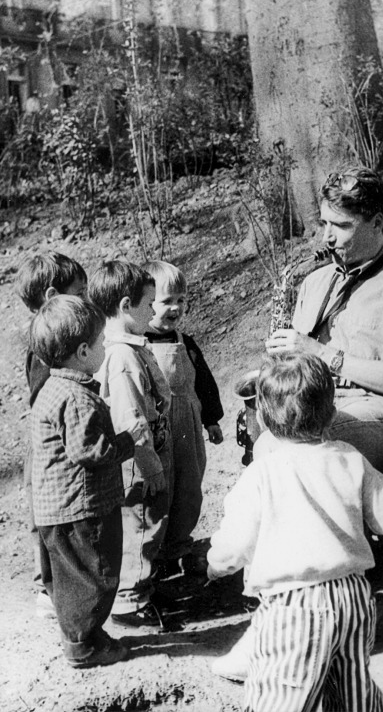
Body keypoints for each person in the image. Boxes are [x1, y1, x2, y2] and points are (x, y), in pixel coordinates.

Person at [207, 353, 383, 712]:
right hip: (352, 597)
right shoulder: (349, 458)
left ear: (260, 418)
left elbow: (235, 541)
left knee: (281, 694)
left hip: (293, 605)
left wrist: (216, 564)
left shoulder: (262, 473)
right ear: (333, 414)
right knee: (352, 690)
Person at [266, 166, 383, 472]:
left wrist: (323, 354)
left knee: (309, 448)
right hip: (313, 405)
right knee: (268, 444)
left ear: (377, 223)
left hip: (373, 410)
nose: (327, 237)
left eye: (341, 225)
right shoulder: (314, 282)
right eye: (324, 224)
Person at [30, 295, 134, 668]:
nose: (106, 345)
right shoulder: (77, 398)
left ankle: (83, 634)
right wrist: (128, 441)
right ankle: (82, 645)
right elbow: (92, 451)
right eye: (102, 340)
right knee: (95, 574)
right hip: (79, 507)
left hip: (54, 507)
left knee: (72, 577)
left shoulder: (53, 387)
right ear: (84, 350)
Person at [88, 260, 173, 627]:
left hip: (145, 452)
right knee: (141, 525)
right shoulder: (122, 357)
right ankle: (130, 602)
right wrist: (151, 465)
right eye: (149, 303)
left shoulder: (128, 347)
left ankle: (140, 587)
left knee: (144, 523)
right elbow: (130, 419)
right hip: (138, 460)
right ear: (125, 306)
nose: (154, 309)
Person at [15, 251, 87, 619]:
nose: (86, 300)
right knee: (46, 512)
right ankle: (49, 587)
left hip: (54, 435)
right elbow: (48, 399)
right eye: (80, 292)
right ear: (51, 296)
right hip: (48, 441)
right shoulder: (46, 347)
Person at [144, 260, 224, 575]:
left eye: (181, 300)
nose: (176, 308)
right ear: (143, 304)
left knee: (189, 485)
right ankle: (155, 552)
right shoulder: (139, 347)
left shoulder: (185, 342)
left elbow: (203, 380)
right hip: (159, 431)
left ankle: (179, 545)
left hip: (188, 425)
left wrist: (212, 419)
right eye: (167, 301)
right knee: (163, 488)